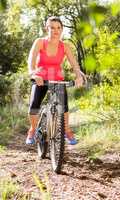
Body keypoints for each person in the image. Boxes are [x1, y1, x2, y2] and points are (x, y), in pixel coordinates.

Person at [26, 16, 85, 145]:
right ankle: (33, 129)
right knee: (34, 105)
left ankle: (66, 130)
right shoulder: (40, 42)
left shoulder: (65, 46)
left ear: (62, 30)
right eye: (52, 27)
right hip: (40, 78)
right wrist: (32, 73)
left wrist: (79, 76)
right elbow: (31, 59)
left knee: (63, 107)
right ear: (47, 28)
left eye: (58, 28)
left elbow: (74, 64)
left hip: (57, 79)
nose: (55, 30)